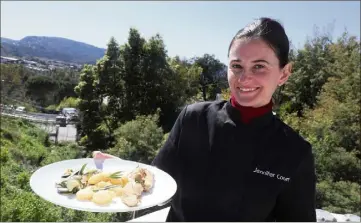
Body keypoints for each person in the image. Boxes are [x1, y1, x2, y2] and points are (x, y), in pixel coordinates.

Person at [94, 17, 317, 222]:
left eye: (259, 66)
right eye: (236, 66)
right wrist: (121, 173)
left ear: (284, 73)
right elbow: (156, 181)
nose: (244, 77)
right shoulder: (194, 118)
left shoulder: (294, 151)